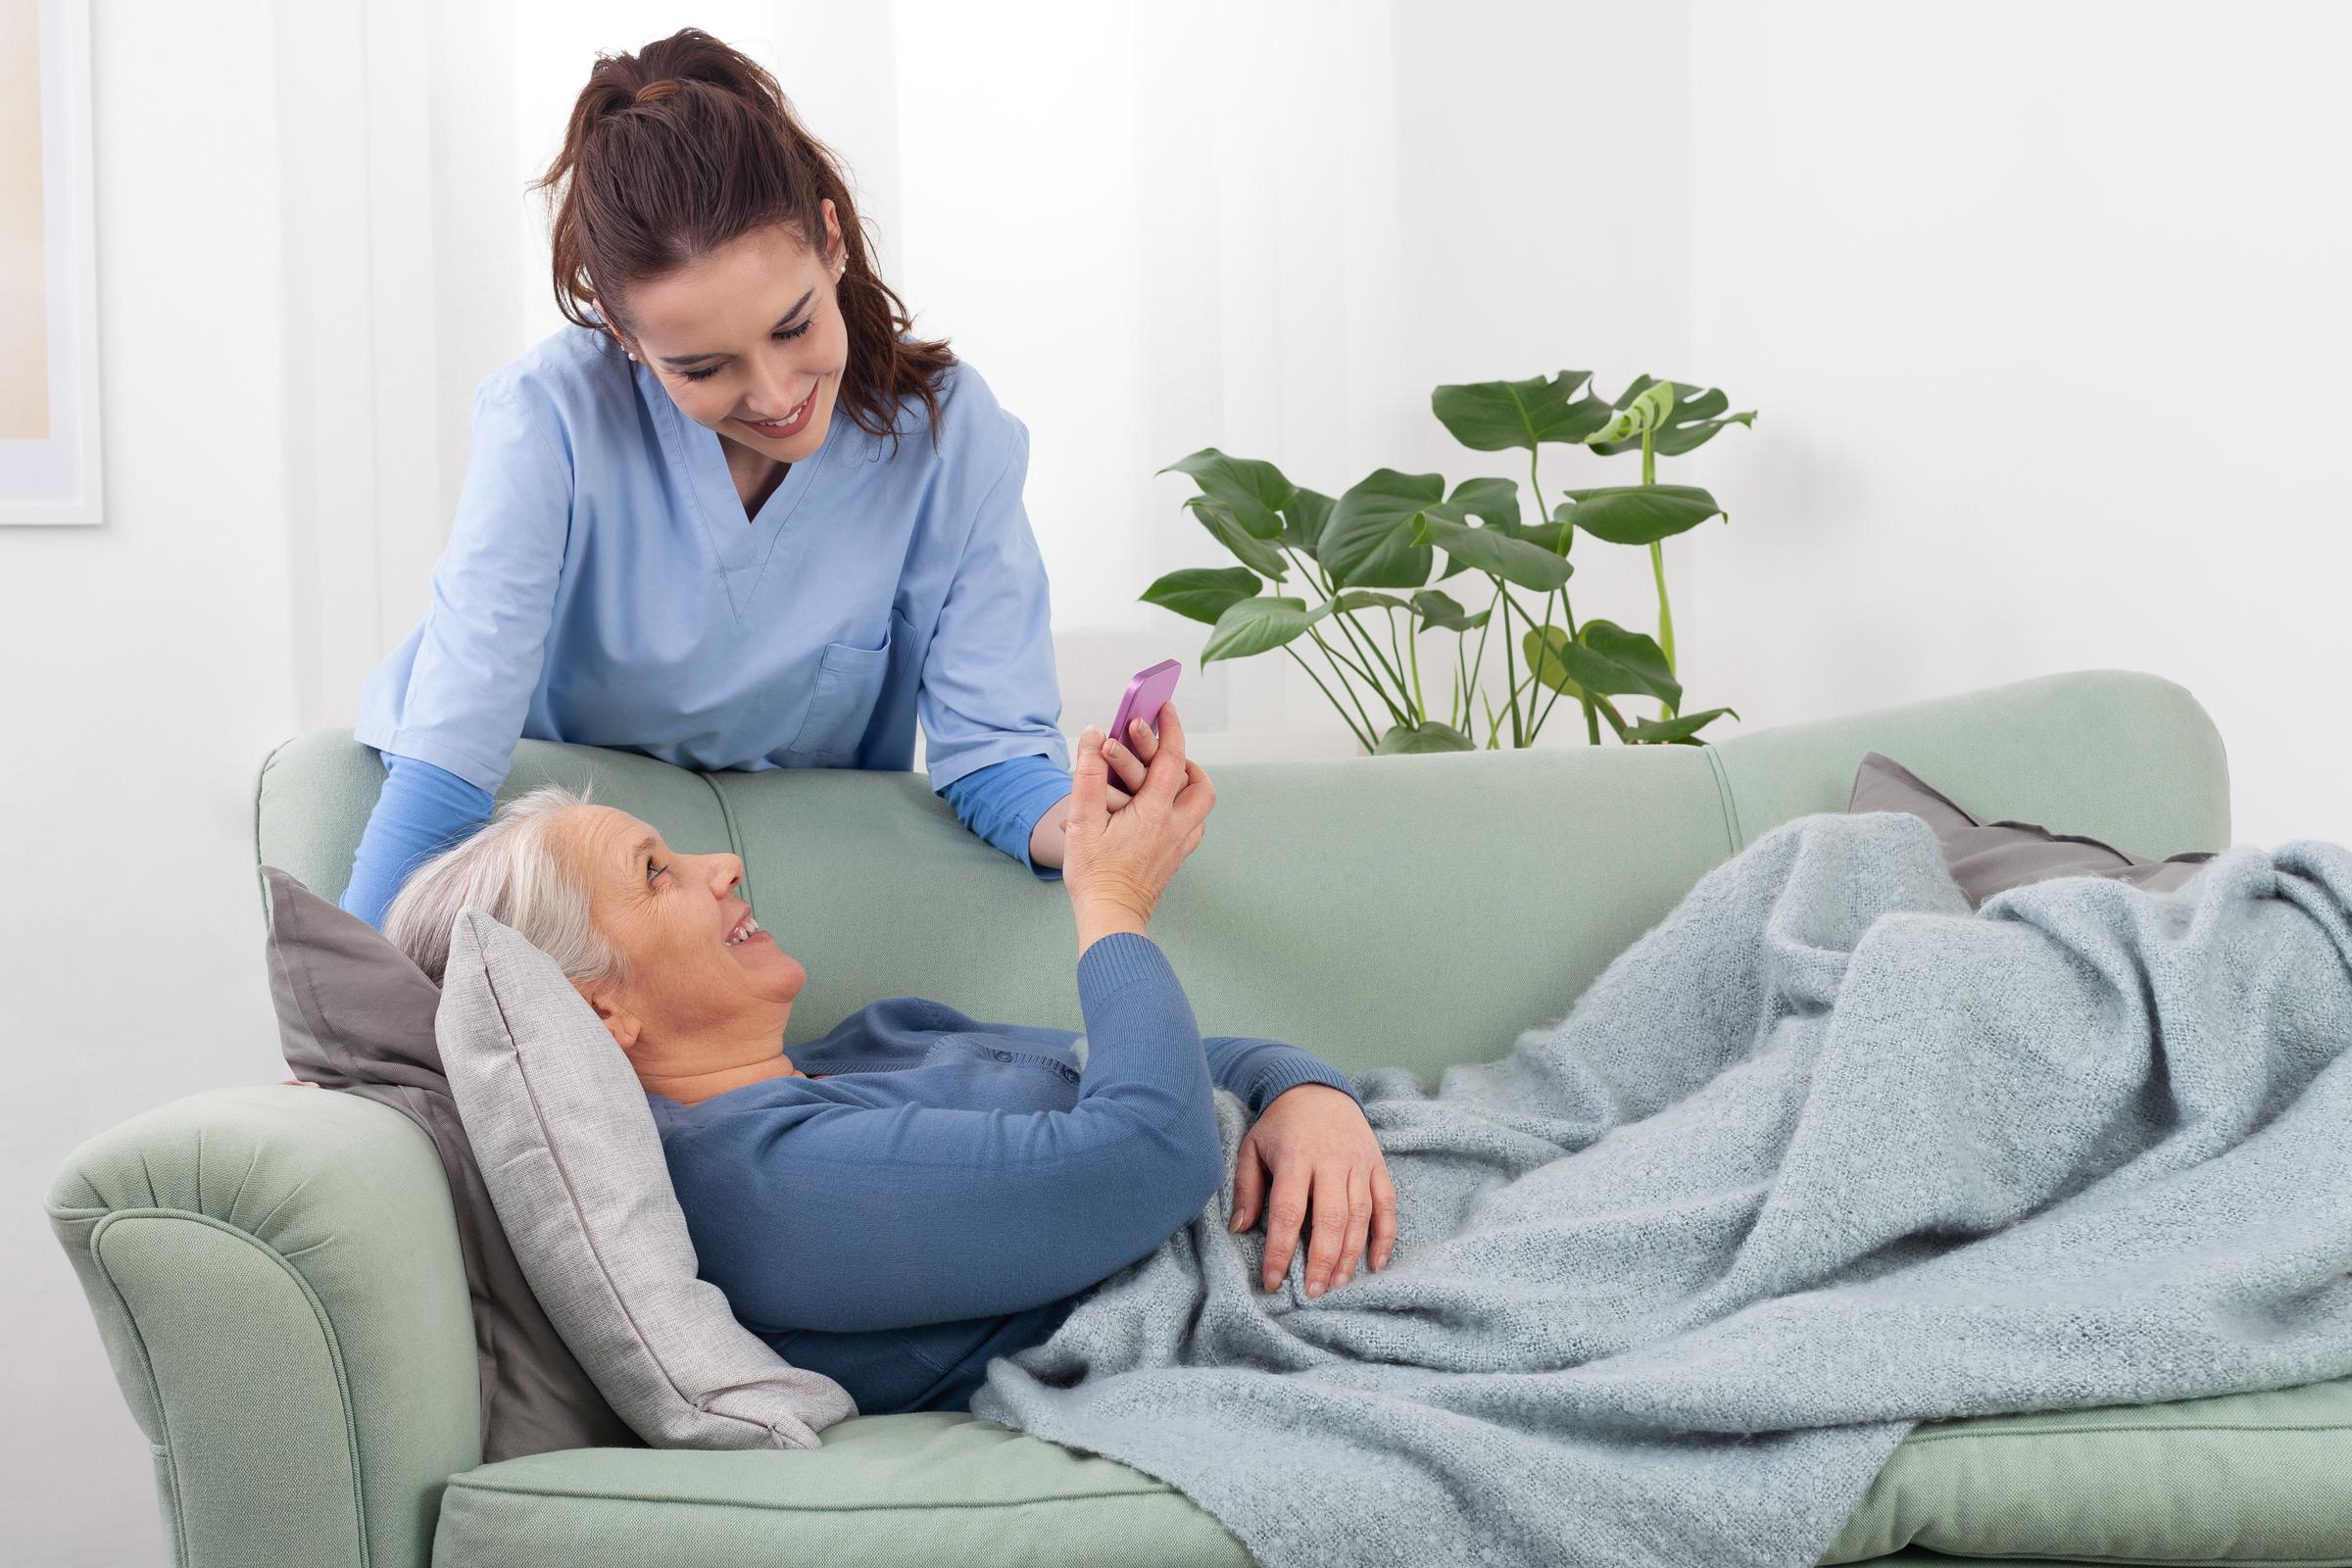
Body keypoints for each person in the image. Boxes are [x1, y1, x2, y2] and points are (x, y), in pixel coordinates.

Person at [379, 705, 1402, 1414]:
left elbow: (1177, 1061)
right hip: (1316, 1256)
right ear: (598, 1011)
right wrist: (1113, 901)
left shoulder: (876, 1035)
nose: (722, 864)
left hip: (1360, 1160)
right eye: (659, 873)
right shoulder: (761, 1188)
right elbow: (1149, 1153)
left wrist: (1302, 1086)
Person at [341, 27, 1109, 931]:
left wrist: (1094, 827)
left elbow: (995, 757)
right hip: (580, 902)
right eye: (703, 369)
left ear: (831, 242)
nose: (778, 395)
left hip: (778, 915)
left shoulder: (951, 436)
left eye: (793, 327)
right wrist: (354, 1023)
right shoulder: (546, 421)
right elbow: (451, 765)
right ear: (623, 337)